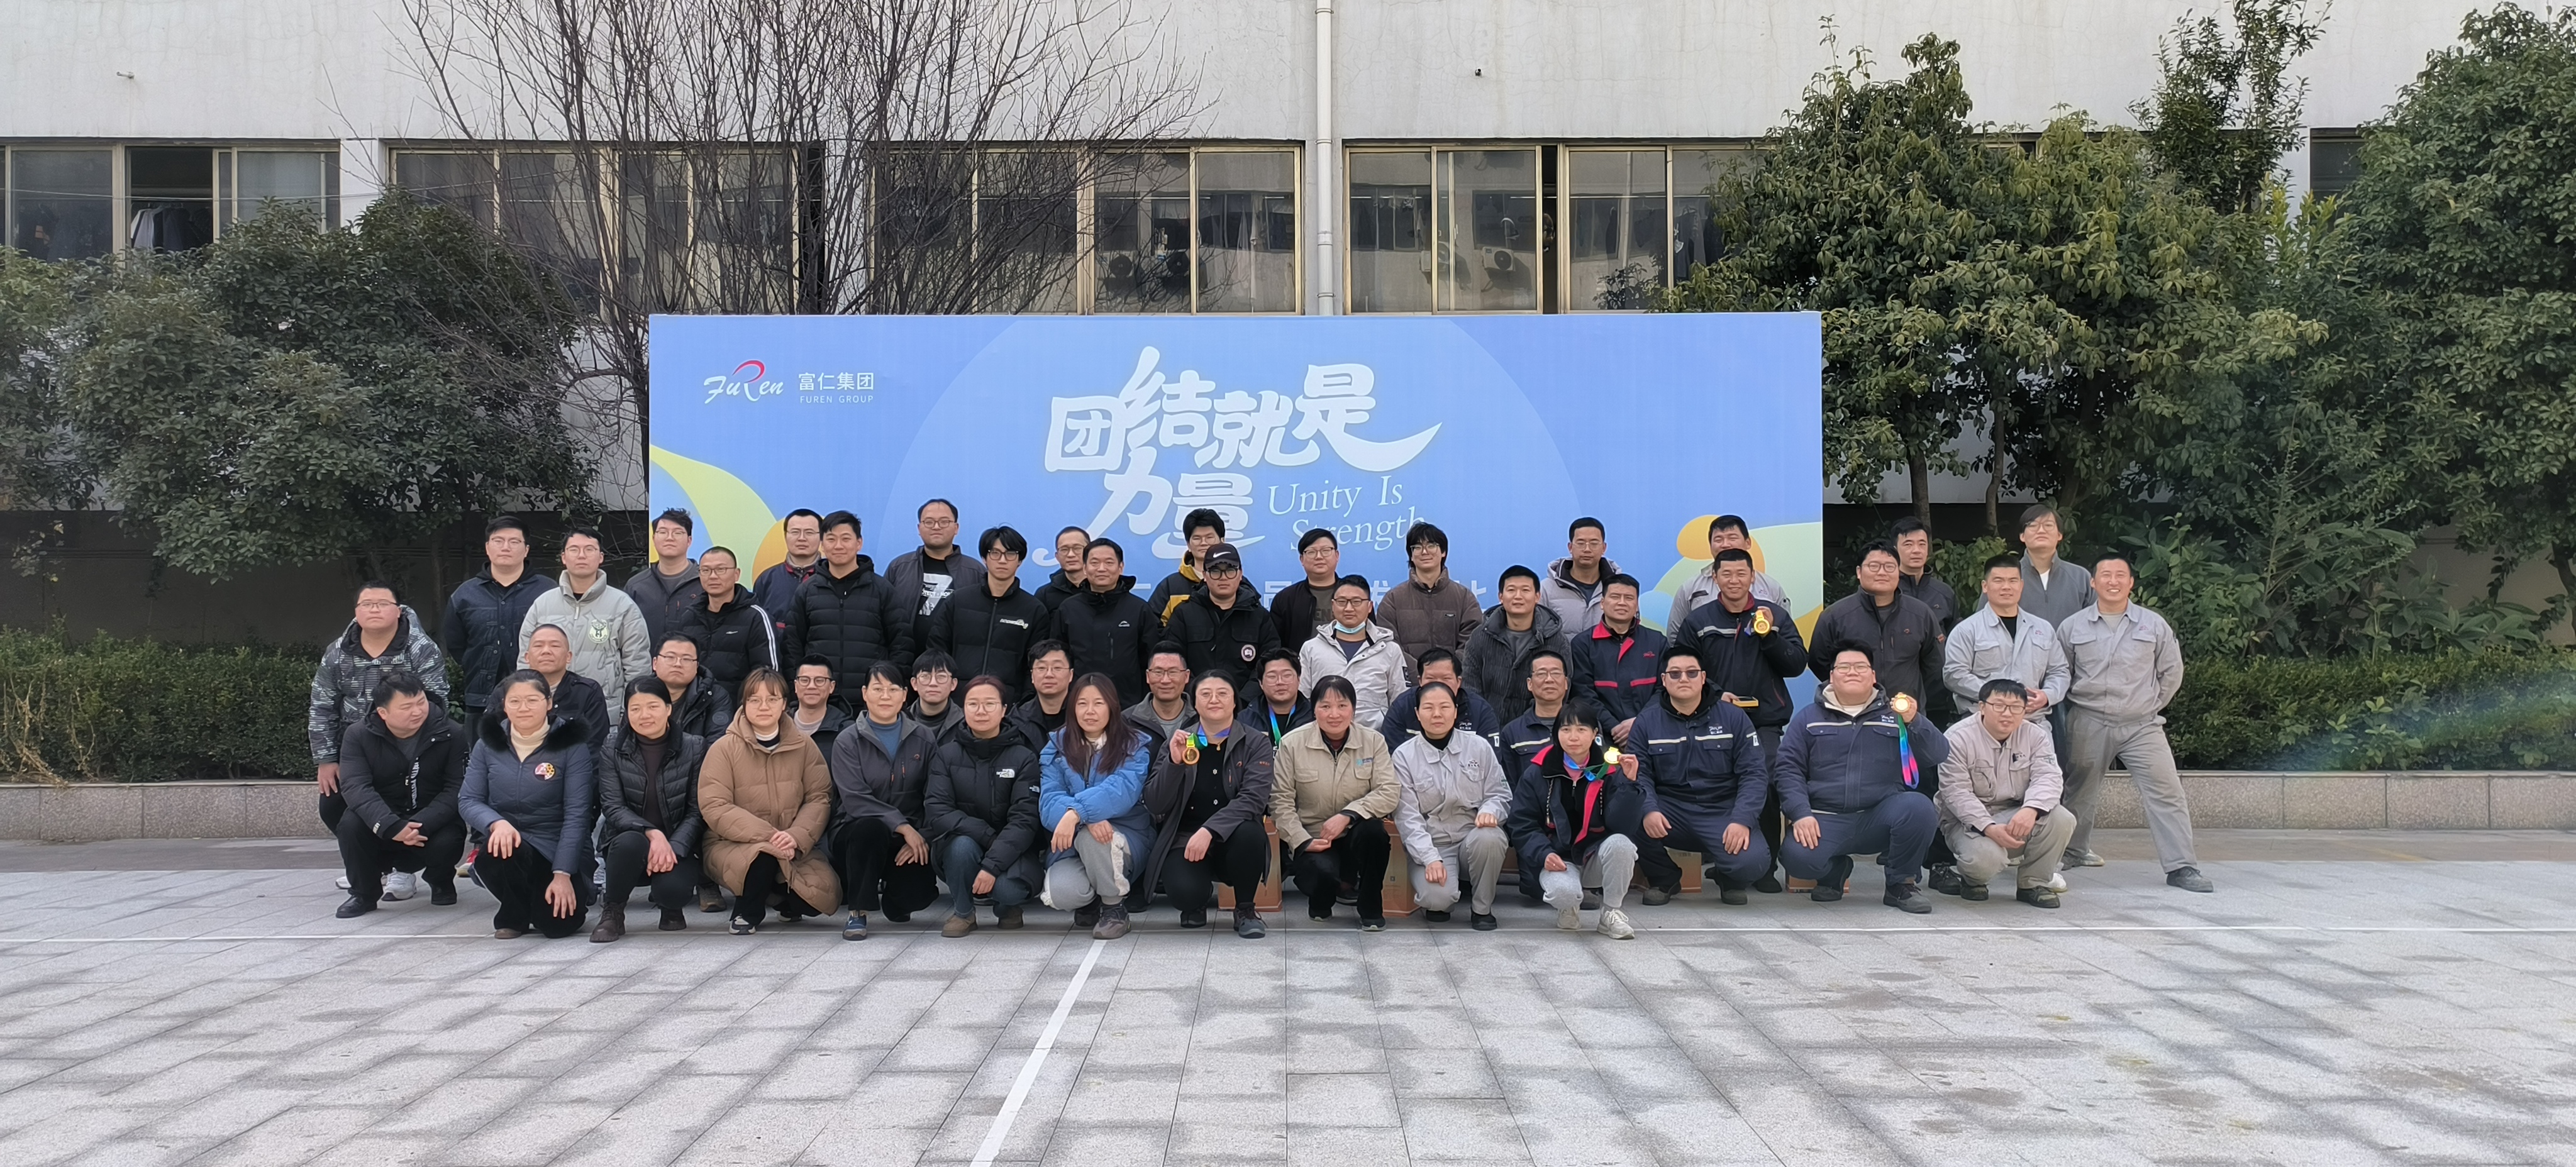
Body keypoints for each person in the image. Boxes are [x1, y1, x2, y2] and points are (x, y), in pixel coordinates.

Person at [2057, 553, 2209, 892]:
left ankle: (2182, 866)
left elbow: (2172, 671)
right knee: (2079, 791)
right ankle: (2073, 851)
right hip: (2089, 719)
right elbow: (2061, 673)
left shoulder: (2153, 624)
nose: (2113, 581)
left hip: (2142, 725)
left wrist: (2151, 705)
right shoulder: (2073, 627)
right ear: (2093, 583)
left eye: (2120, 575)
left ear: (2131, 583)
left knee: (2167, 792)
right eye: (2105, 575)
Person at [1670, 546, 1809, 890]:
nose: (1734, 580)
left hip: (1765, 721)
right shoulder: (1699, 621)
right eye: (1727, 574)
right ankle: (1725, 862)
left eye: (1741, 574)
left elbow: (1796, 664)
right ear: (1715, 578)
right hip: (1710, 718)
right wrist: (1716, 694)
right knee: (1717, 786)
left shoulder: (1774, 615)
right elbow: (1682, 668)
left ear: (1753, 577)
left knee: (1766, 784)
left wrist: (1770, 636)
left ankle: (1766, 868)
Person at [1775, 645, 1949, 914]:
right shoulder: (1808, 718)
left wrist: (1914, 720)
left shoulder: (1896, 715)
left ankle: (1901, 884)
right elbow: (1788, 769)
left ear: (1873, 675)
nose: (1852, 672)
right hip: (1826, 818)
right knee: (1797, 858)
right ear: (1832, 676)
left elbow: (1938, 754)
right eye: (1844, 667)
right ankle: (1834, 871)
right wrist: (1800, 813)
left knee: (1919, 807)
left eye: (1860, 667)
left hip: (1880, 816)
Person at [311, 582, 450, 872]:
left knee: (406, 803)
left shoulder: (421, 649)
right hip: (357, 750)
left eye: (383, 604)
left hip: (409, 748)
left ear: (398, 611)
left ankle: (403, 868)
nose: (374, 609)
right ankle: (371, 866)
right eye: (367, 604)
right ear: (356, 611)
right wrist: (326, 759)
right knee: (333, 805)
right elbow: (322, 705)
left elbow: (435, 702)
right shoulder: (338, 652)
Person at [1622, 646, 1774, 907]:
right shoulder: (1646, 722)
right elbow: (1640, 774)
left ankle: (1729, 877)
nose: (1684, 679)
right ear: (1664, 680)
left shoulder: (1734, 718)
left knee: (1754, 863)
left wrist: (1742, 820)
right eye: (1675, 674)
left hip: (1722, 810)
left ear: (1704, 678)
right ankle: (1665, 878)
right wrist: (1648, 809)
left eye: (1692, 673)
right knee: (1627, 813)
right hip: (1671, 810)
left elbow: (1754, 774)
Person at [698, 667, 840, 934]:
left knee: (817, 898)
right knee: (763, 857)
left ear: (784, 704)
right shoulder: (724, 749)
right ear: (744, 704)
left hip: (791, 842)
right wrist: (770, 836)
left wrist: (796, 836)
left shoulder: (804, 746)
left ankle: (775, 896)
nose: (763, 707)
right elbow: (715, 805)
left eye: (772, 699)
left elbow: (819, 797)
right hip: (733, 843)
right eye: (755, 700)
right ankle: (748, 912)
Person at [1136, 671, 1276, 937]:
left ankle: (1245, 909)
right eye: (1206, 694)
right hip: (1186, 839)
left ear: (1234, 701)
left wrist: (1210, 830)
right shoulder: (1180, 741)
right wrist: (1174, 764)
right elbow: (1154, 804)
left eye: (1222, 693)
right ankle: (1198, 900)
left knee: (1251, 832)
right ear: (1194, 702)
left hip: (1234, 836)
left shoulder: (1255, 741)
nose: (1214, 700)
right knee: (1185, 895)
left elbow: (1254, 799)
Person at [460, 670, 596, 939]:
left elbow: (577, 815)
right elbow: (468, 799)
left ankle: (543, 903)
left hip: (555, 850)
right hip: (510, 844)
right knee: (500, 848)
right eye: (515, 701)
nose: (523, 708)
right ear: (505, 705)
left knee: (558, 927)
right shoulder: (487, 744)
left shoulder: (572, 745)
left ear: (549, 703)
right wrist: (496, 823)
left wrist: (563, 874)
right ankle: (513, 916)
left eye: (532, 700)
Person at [330, 672, 467, 918]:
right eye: (406, 707)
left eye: (421, 702)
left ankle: (441, 881)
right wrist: (392, 826)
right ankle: (363, 894)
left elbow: (457, 787)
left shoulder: (451, 732)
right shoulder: (358, 735)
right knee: (350, 824)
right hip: (385, 816)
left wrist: (420, 824)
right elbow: (355, 786)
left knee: (450, 836)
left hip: (430, 818)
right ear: (383, 713)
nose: (417, 711)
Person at [1270, 676, 1399, 929]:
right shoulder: (1292, 743)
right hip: (1314, 837)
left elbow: (1389, 791)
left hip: (1355, 831)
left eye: (1342, 706)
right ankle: (1322, 899)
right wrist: (1301, 841)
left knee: (1375, 833)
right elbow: (1280, 801)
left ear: (1354, 709)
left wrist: (1349, 815)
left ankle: (1371, 906)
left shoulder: (1373, 741)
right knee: (1321, 874)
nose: (1334, 714)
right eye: (1325, 706)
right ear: (1314, 709)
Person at [1504, 701, 1638, 939]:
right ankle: (1568, 908)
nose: (1573, 737)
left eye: (1581, 729)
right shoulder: (1539, 771)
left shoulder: (1610, 768)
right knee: (1563, 893)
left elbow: (1622, 826)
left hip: (1596, 855)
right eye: (1565, 729)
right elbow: (1521, 822)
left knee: (1622, 845)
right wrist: (1544, 854)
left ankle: (1611, 913)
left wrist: (1629, 784)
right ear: (1556, 734)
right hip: (1558, 859)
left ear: (1595, 734)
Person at [923, 677, 1044, 936]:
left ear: (1004, 710)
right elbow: (937, 810)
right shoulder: (946, 754)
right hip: (962, 847)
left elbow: (1024, 820)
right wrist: (987, 836)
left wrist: (991, 865)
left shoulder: (1024, 757)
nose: (981, 711)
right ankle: (963, 913)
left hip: (1013, 850)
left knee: (1008, 889)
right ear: (963, 708)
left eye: (990, 704)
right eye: (973, 704)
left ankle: (1007, 907)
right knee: (961, 846)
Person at [828, 661, 941, 939]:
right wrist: (903, 827)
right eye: (878, 689)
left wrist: (922, 835)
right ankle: (858, 910)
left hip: (910, 834)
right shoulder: (847, 740)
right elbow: (855, 799)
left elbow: (936, 795)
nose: (885, 696)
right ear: (865, 693)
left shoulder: (924, 738)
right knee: (870, 828)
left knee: (919, 894)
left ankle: (894, 901)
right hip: (856, 833)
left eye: (893, 689)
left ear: (905, 695)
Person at [1038, 674, 1156, 940]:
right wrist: (1083, 817)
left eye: (1099, 703)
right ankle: (1094, 898)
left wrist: (1077, 813)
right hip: (1074, 842)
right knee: (1063, 892)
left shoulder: (1133, 745)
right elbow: (1048, 801)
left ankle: (1114, 909)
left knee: (1094, 838)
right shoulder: (1056, 746)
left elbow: (1122, 790)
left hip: (1125, 836)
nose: (1090, 711)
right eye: (1082, 703)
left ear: (1112, 706)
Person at [1938, 679, 2074, 907]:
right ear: (1982, 707)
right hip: (1968, 822)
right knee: (1984, 860)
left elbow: (2049, 777)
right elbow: (1955, 792)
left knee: (2062, 818)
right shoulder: (1957, 737)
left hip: (2017, 812)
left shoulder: (2036, 735)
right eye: (1999, 706)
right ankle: (1972, 880)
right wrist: (1988, 827)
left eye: (2016, 707)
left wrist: (2032, 809)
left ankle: (2033, 884)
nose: (2007, 714)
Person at [592, 677, 709, 940]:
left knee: (673, 892)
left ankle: (670, 908)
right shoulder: (612, 747)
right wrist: (652, 834)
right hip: (629, 842)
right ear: (626, 713)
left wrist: (673, 845)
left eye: (653, 707)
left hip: (677, 841)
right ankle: (613, 911)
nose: (644, 715)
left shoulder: (694, 747)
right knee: (629, 843)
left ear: (668, 709)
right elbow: (612, 806)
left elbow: (697, 810)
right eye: (635, 708)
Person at [1391, 681, 1510, 930]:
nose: (1437, 714)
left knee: (1491, 837)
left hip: (1472, 838)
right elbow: (1408, 819)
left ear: (1455, 712)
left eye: (1445, 707)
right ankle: (1443, 898)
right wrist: (1430, 859)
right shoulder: (1403, 756)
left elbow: (1500, 794)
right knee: (1436, 900)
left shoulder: (1479, 747)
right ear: (1417, 714)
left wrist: (1490, 811)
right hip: (1433, 843)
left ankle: (1482, 909)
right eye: (1429, 708)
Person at [519, 526, 652, 722]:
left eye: (589, 549)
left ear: (601, 557)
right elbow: (525, 661)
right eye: (574, 549)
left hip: (604, 713)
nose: (582, 555)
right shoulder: (543, 604)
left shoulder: (622, 605)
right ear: (564, 557)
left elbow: (637, 665)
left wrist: (630, 711)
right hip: (548, 714)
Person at [781, 510, 915, 699]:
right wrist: (797, 693)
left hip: (870, 700)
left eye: (846, 539)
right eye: (831, 539)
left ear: (859, 543)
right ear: (822, 544)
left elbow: (902, 645)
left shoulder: (882, 590)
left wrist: (889, 688)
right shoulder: (807, 591)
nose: (838, 546)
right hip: (820, 700)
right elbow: (792, 647)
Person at [440, 516, 547, 738]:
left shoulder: (548, 592)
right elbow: (457, 645)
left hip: (536, 697)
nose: (506, 547)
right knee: (481, 756)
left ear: (526, 550)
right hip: (480, 698)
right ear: (488, 548)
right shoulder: (465, 595)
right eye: (499, 541)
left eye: (514, 541)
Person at [1807, 541, 1943, 707]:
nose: (1882, 572)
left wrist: (1914, 696)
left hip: (1905, 712)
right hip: (1852, 712)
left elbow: (1934, 665)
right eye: (1874, 566)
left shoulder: (1920, 614)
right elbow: (1818, 662)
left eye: (1889, 567)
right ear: (1859, 572)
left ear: (1899, 572)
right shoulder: (1835, 616)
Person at [928, 525, 1047, 701]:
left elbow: (1036, 666)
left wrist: (1023, 705)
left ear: (1020, 560)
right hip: (958, 702)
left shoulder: (1034, 610)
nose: (1002, 560)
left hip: (1009, 706)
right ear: (984, 558)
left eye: (1010, 554)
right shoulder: (958, 601)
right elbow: (937, 651)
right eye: (995, 553)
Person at [1941, 555, 2068, 720]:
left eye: (2013, 581)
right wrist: (1997, 696)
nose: (2006, 587)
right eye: (1998, 581)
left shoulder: (2043, 629)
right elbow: (1954, 675)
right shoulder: (1967, 630)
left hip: (2033, 721)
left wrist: (2047, 695)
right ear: (1985, 586)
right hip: (1982, 721)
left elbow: (2059, 671)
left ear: (2021, 586)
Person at [1051, 537, 1155, 708]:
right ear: (1085, 568)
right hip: (1080, 704)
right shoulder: (1068, 609)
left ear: (1121, 567)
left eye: (1109, 562)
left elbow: (1150, 660)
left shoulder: (1139, 609)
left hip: (1128, 705)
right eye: (1094, 563)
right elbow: (1058, 658)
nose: (1101, 569)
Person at [1164, 541, 1279, 690]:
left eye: (1230, 570)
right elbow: (1172, 662)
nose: (1223, 577)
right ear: (1205, 575)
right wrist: (1199, 695)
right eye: (1215, 571)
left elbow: (1269, 665)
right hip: (1195, 701)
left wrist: (1242, 700)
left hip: (1246, 703)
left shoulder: (1259, 617)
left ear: (1240, 574)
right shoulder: (1184, 615)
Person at [1462, 565, 1571, 722]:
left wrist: (1527, 726)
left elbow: (1562, 689)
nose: (1518, 596)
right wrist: (1485, 723)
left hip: (1538, 727)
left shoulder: (1556, 640)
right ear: (1501, 597)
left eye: (1525, 590)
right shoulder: (1481, 636)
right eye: (1511, 590)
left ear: (1537, 597)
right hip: (1487, 726)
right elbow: (1470, 687)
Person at [1299, 575, 1407, 729]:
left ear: (1370, 606)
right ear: (1333, 605)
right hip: (1323, 736)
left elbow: (1399, 701)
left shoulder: (1389, 649)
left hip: (1375, 736)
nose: (1349, 608)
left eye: (1357, 602)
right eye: (1342, 602)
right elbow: (1303, 699)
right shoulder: (1312, 648)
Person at [1568, 573, 1664, 747]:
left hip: (1651, 733)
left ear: (1637, 605)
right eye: (1615, 597)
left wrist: (1639, 723)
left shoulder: (1657, 642)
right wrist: (1614, 728)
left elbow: (1664, 690)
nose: (1622, 602)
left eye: (1629, 598)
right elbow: (1583, 694)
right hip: (1603, 737)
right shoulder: (1583, 644)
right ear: (1602, 603)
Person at [1374, 522, 1481, 673]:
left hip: (1453, 682)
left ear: (1443, 552)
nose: (1424, 552)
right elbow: (1389, 645)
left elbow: (1472, 641)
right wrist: (1421, 674)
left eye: (1431, 546)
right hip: (1409, 683)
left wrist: (1448, 672)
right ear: (1411, 555)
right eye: (1417, 547)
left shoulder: (1464, 597)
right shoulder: (1393, 600)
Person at [884, 499, 987, 651]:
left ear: (956, 528)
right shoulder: (899, 567)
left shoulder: (975, 572)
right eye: (929, 522)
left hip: (956, 660)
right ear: (919, 528)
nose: (936, 527)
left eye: (944, 522)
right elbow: (883, 616)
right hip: (904, 658)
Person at [1664, 514, 1790, 630]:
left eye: (1732, 538)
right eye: (1719, 540)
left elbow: (1786, 633)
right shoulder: (1690, 589)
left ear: (1748, 543)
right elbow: (1676, 636)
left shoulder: (1771, 588)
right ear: (1710, 546)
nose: (1725, 545)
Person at [684, 546, 778, 697]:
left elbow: (768, 674)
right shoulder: (689, 616)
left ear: (736, 574)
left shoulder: (756, 617)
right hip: (696, 706)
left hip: (739, 707)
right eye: (706, 570)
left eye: (721, 570)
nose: (713, 576)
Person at [1377, 648, 1504, 751]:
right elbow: (1391, 754)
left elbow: (1491, 758)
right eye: (1431, 679)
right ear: (1420, 681)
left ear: (1458, 682)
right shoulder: (1402, 706)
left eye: (1446, 679)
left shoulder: (1480, 710)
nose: (1438, 684)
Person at [523, 622, 611, 754]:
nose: (546, 651)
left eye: (555, 646)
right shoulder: (508, 690)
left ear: (568, 657)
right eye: (538, 646)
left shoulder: (588, 692)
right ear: (527, 657)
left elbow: (595, 745)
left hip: (573, 765)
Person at [2009, 504, 2097, 631]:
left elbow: (2099, 623)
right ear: (2022, 536)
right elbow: (1986, 623)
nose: (2041, 530)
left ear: (2060, 535)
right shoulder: (2006, 577)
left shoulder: (2080, 577)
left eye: (2048, 525)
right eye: (2033, 525)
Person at [627, 507, 706, 644]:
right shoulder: (636, 586)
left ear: (689, 541)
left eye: (678, 533)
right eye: (663, 532)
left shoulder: (706, 582)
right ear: (654, 539)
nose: (670, 538)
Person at [1499, 649, 1580, 775]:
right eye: (1541, 674)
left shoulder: (1585, 724)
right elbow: (1510, 782)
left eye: (1556, 673)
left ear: (1566, 683)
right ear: (1530, 684)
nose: (1549, 679)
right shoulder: (1512, 732)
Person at [1145, 507, 1228, 622]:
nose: (1203, 543)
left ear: (1222, 541)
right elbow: (1151, 626)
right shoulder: (1171, 586)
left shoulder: (1235, 581)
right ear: (1188, 544)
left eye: (1209, 538)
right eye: (1197, 538)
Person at [1541, 517, 1620, 636]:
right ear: (1570, 547)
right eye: (1581, 543)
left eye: (1594, 543)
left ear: (1604, 548)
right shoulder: (1547, 589)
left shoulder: (1620, 588)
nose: (1587, 549)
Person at [752, 508, 825, 634]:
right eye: (795, 532)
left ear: (822, 537)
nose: (802, 538)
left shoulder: (831, 577)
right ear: (785, 536)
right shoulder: (767, 579)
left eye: (809, 532)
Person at [651, 630, 734, 741]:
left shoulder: (714, 696)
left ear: (697, 666)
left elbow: (718, 743)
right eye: (670, 657)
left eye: (686, 659)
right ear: (655, 663)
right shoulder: (638, 693)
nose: (678, 664)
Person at [1272, 528, 1342, 652]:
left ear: (1337, 555)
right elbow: (1275, 645)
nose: (1319, 557)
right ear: (1302, 559)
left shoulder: (1355, 595)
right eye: (1311, 552)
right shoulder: (1286, 599)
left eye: (1326, 551)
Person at [1890, 517, 1960, 631]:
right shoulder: (1885, 590)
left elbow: (1955, 635)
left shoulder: (1944, 592)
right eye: (1908, 545)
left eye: (1922, 544)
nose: (1916, 550)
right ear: (1895, 550)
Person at [1126, 645, 1196, 743]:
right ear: (1148, 676)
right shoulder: (1127, 721)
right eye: (1158, 672)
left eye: (1173, 672)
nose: (1165, 680)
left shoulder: (1202, 718)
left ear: (1186, 676)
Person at [788, 655, 853, 756]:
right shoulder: (779, 724)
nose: (811, 686)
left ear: (831, 687)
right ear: (796, 686)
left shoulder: (847, 731)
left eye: (819, 681)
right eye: (805, 680)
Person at [1013, 641, 1076, 744]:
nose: (1049, 674)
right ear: (1032, 676)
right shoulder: (1016, 720)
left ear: (1071, 675)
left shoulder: (1084, 715)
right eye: (1041, 668)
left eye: (1057, 668)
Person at [1252, 649, 1314, 743]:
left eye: (1287, 675)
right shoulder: (1246, 720)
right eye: (1272, 677)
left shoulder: (1315, 718)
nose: (1280, 682)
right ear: (1261, 683)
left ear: (1299, 679)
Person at [901, 650, 963, 742]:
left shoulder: (966, 724)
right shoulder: (900, 723)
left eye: (941, 676)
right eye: (925, 676)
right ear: (914, 684)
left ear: (953, 684)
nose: (933, 683)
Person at [1032, 526, 1093, 619]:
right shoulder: (1044, 595)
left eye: (1077, 548)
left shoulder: (1105, 588)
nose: (1071, 555)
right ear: (1057, 557)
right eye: (1064, 550)